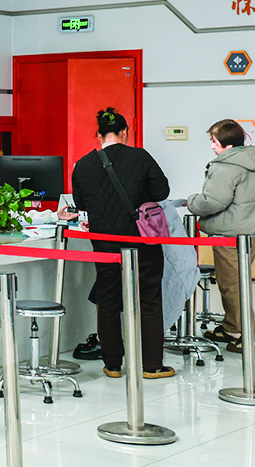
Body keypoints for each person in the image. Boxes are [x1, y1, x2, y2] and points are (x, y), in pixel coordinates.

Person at [61, 108, 174, 379]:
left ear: (99, 135)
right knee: (149, 300)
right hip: (142, 242)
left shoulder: (83, 164)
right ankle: (151, 365)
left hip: (104, 245)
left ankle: (112, 364)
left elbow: (81, 203)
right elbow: (162, 191)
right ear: (125, 132)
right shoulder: (140, 157)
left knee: (108, 301)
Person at [185, 119, 255, 354]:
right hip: (253, 233)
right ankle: (232, 328)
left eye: (214, 142)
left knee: (231, 285)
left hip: (230, 234)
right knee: (237, 281)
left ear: (228, 145)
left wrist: (191, 201)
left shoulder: (226, 167)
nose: (212, 147)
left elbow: (212, 202)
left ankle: (250, 336)